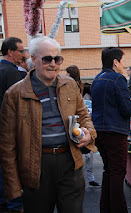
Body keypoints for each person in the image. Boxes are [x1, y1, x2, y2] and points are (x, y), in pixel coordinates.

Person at [0, 36, 97, 213]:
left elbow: (84, 115)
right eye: (47, 59)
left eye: (57, 59)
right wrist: (13, 189)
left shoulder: (70, 85)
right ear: (34, 59)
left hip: (70, 162)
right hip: (36, 168)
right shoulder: (14, 94)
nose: (53, 63)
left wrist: (89, 134)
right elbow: (7, 146)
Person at [91, 47, 131, 213]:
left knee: (109, 171)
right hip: (115, 132)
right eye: (123, 61)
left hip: (99, 132)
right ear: (115, 62)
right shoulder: (117, 78)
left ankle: (106, 208)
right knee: (118, 173)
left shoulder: (97, 79)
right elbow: (126, 108)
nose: (124, 65)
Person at [0, 37, 25, 213]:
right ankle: (13, 204)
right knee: (10, 167)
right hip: (8, 129)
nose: (23, 55)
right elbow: (18, 105)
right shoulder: (12, 73)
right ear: (10, 52)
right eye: (20, 51)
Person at [66, 65, 100, 187]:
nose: (66, 76)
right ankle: (85, 178)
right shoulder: (71, 85)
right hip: (77, 121)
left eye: (68, 73)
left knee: (85, 150)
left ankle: (86, 178)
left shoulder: (77, 86)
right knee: (83, 150)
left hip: (79, 122)